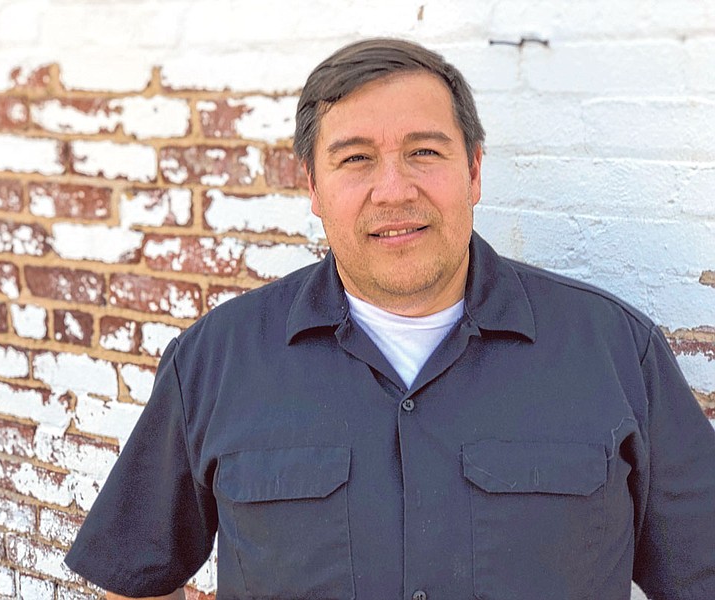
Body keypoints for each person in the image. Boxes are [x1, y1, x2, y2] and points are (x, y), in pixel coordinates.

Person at [65, 38, 715, 600]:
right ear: (313, 189)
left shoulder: (615, 351)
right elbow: (133, 574)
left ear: (475, 171)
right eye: (354, 159)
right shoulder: (215, 360)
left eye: (425, 152)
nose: (395, 189)